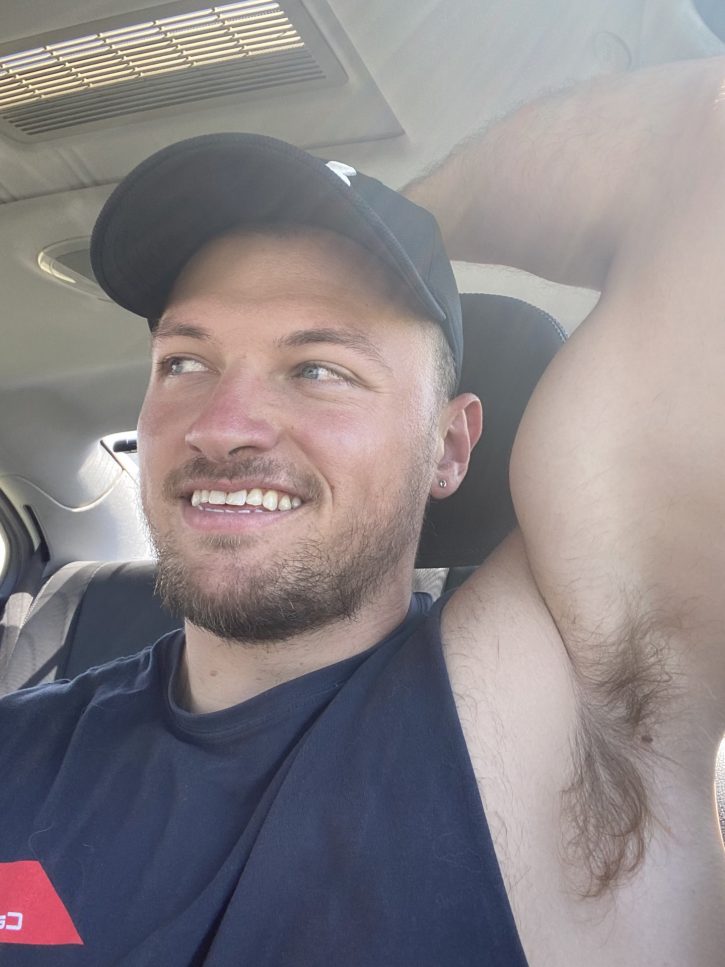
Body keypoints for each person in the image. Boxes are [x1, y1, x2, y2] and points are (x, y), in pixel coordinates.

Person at [1, 55, 723, 966]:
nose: (221, 428)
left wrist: (394, 221)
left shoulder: (564, 718)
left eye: (319, 369)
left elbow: (707, 136)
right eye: (185, 361)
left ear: (450, 447)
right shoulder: (22, 747)